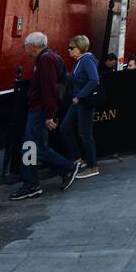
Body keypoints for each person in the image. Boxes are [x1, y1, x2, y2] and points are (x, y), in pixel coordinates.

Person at [11, 32, 81, 201]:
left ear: (33, 46)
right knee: (32, 147)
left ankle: (63, 169)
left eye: (25, 46)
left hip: (39, 111)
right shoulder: (48, 58)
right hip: (40, 110)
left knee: (31, 147)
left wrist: (50, 115)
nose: (25, 49)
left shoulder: (45, 60)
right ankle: (32, 183)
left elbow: (48, 88)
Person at [60, 35, 102, 179]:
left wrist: (80, 96)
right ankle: (78, 160)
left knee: (85, 134)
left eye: (71, 48)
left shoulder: (86, 60)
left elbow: (94, 80)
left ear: (79, 48)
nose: (69, 50)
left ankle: (93, 166)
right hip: (77, 102)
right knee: (65, 128)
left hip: (83, 103)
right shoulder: (80, 61)